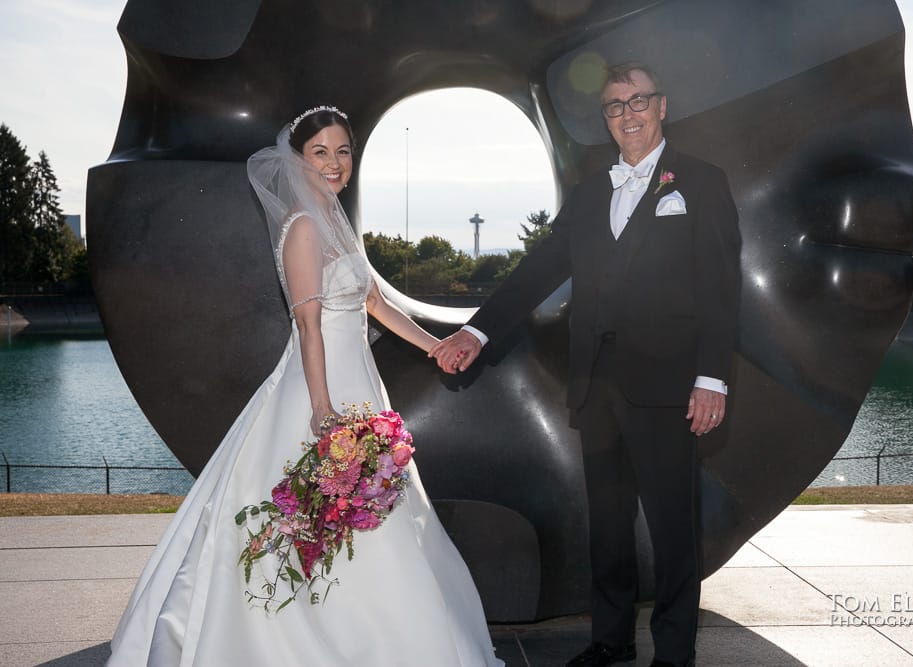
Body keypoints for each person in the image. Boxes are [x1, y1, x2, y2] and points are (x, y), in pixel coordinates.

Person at [108, 107, 503, 666]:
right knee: (312, 517)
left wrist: (434, 346)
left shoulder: (335, 220)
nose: (335, 163)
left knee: (374, 513)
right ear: (299, 160)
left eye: (343, 151)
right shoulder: (303, 228)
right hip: (319, 388)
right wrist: (322, 408)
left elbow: (375, 302)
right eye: (321, 152)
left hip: (360, 383)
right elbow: (309, 324)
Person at [431, 63, 741, 667]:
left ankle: (674, 655)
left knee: (675, 530)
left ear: (662, 106)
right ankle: (611, 639)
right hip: (595, 388)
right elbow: (541, 268)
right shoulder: (593, 190)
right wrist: (477, 328)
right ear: (606, 119)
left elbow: (721, 289)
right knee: (608, 526)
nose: (628, 115)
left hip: (670, 389)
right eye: (615, 107)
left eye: (638, 102)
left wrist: (711, 377)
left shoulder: (702, 183)